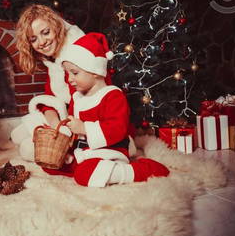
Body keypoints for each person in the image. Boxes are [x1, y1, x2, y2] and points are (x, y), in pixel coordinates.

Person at [41, 33, 169, 187]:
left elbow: (117, 129)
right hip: (84, 151)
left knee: (83, 175)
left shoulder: (112, 95)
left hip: (109, 151)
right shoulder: (77, 98)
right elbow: (72, 125)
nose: (69, 79)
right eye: (68, 74)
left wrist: (84, 127)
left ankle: (134, 171)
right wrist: (64, 134)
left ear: (94, 71)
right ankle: (88, 167)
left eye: (74, 73)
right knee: (50, 165)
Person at [10, 4, 136, 161]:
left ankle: (124, 144)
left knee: (28, 149)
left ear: (56, 27)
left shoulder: (77, 57)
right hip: (66, 120)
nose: (41, 42)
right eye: (34, 39)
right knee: (17, 135)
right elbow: (50, 97)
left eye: (45, 32)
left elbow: (86, 106)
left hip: (86, 123)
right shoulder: (52, 60)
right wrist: (54, 123)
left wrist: (62, 133)